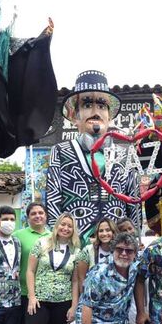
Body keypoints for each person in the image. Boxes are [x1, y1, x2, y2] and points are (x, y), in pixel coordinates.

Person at [46, 70, 140, 242]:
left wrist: (135, 240)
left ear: (109, 116)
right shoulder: (60, 151)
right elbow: (53, 200)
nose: (96, 112)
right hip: (75, 240)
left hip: (116, 240)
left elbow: (133, 202)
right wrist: (57, 243)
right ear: (74, 115)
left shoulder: (124, 154)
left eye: (102, 106)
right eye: (87, 105)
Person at [75, 219, 118, 324]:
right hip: (91, 307)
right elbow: (81, 281)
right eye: (101, 230)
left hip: (113, 309)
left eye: (108, 230)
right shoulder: (88, 251)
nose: (105, 233)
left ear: (114, 232)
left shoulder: (120, 251)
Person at [13, 202, 51, 324]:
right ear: (27, 217)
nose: (38, 216)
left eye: (41, 213)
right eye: (33, 213)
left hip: (46, 295)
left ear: (46, 215)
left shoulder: (54, 236)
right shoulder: (18, 236)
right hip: (22, 293)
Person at [116, 217, 151, 324]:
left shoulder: (145, 251)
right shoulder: (119, 252)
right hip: (124, 301)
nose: (128, 232)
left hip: (144, 298)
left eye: (130, 228)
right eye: (123, 230)